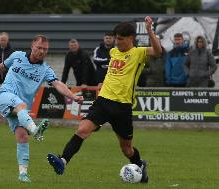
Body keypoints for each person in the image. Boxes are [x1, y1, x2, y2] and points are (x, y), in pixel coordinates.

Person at [47, 16, 162, 183]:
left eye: (120, 39)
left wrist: (150, 30)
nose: (117, 42)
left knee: (127, 149)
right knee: (82, 130)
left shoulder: (138, 53)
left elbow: (158, 51)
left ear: (131, 38)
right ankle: (62, 161)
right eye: (116, 38)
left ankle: (139, 165)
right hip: (103, 102)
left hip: (122, 107)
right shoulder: (113, 52)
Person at [0, 34, 83, 183]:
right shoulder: (17, 56)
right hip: (5, 96)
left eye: (45, 49)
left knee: (22, 137)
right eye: (39, 48)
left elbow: (58, 84)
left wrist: (72, 96)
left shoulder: (45, 69)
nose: (42, 51)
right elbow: (1, 67)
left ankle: (23, 174)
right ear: (32, 46)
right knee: (21, 106)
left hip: (21, 111)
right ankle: (36, 130)